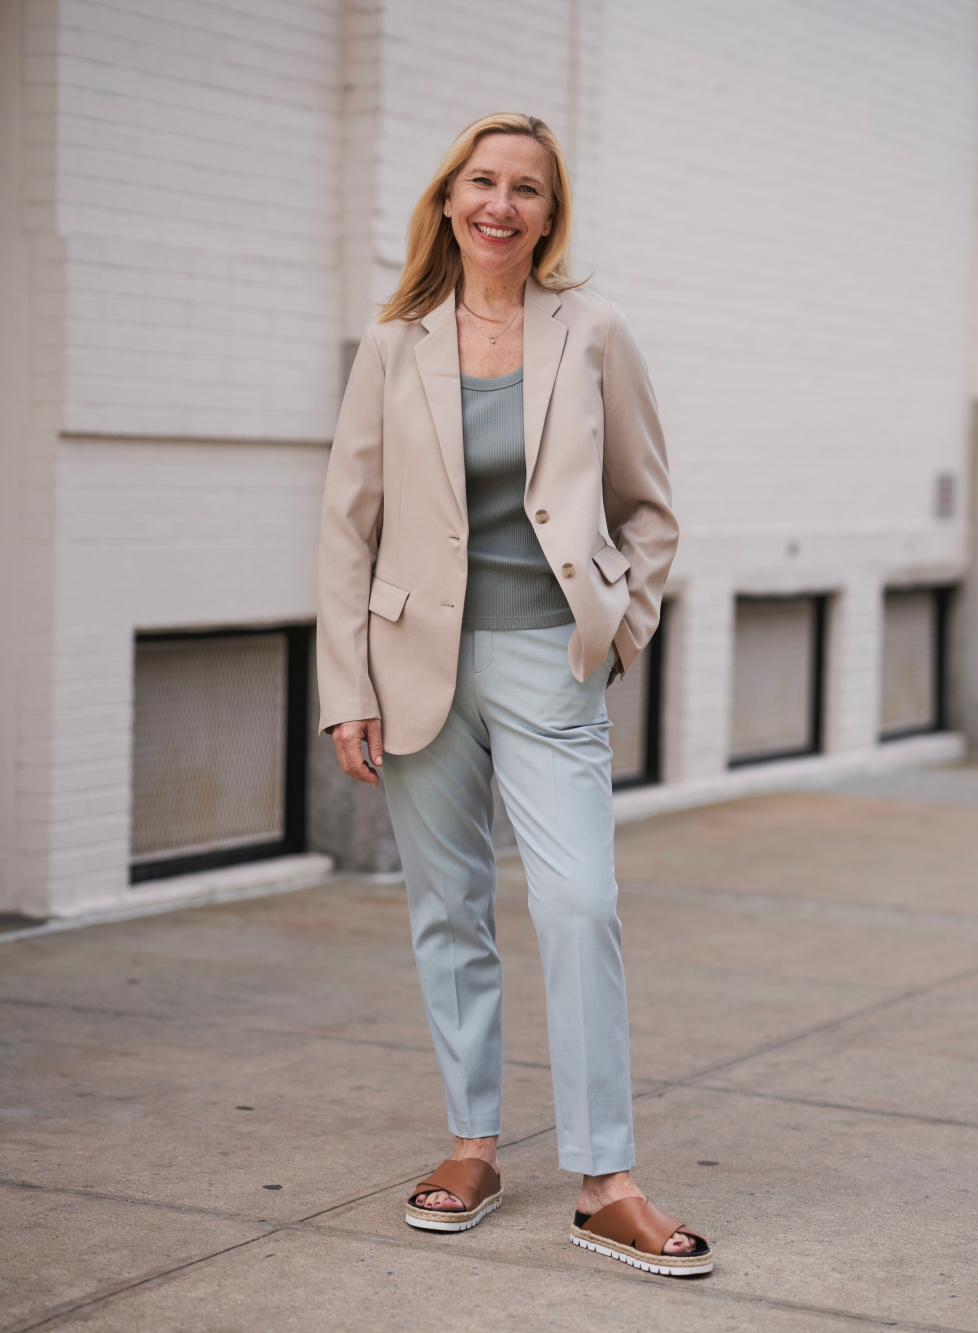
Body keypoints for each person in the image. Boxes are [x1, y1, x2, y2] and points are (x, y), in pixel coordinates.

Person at [317, 112, 713, 1276]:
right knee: (449, 911)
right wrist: (347, 684)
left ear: (549, 212)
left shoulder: (591, 331)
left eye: (525, 188)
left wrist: (613, 629)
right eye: (481, 182)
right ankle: (473, 1145)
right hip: (413, 664)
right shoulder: (393, 344)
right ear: (448, 200)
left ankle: (606, 1178)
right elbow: (347, 526)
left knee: (580, 904)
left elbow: (649, 506)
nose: (501, 203)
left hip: (549, 658)